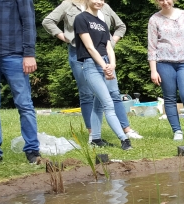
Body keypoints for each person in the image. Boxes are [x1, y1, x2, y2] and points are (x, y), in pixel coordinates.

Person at [42, 0, 142, 140]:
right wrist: (66, 37)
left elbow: (120, 26)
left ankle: (126, 129)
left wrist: (111, 43)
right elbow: (48, 21)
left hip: (104, 56)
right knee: (86, 94)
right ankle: (93, 134)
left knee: (113, 92)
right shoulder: (68, 4)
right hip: (79, 55)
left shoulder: (102, 5)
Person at [74, 0, 132, 150]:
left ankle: (96, 139)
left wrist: (112, 65)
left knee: (98, 105)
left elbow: (109, 46)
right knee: (108, 103)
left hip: (106, 64)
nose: (99, 1)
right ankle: (124, 140)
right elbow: (89, 47)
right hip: (91, 65)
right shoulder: (81, 18)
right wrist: (104, 66)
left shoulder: (102, 23)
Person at [148, 0, 184, 141]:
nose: (165, 2)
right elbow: (152, 47)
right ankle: (177, 131)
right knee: (169, 98)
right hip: (164, 63)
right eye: (160, 0)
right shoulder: (154, 19)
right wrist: (153, 70)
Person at [0, 0, 41, 163]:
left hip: (14, 54)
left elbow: (28, 22)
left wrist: (29, 53)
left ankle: (32, 150)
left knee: (24, 104)